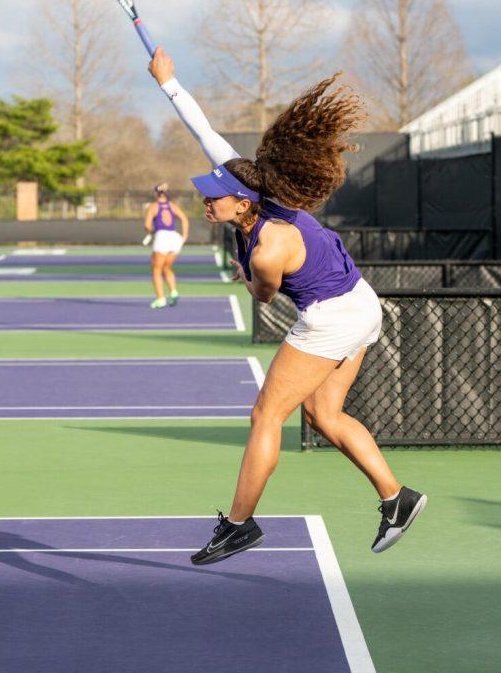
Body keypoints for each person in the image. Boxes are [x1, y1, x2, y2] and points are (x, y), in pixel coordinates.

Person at [147, 48, 425, 565]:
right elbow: (202, 130)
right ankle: (397, 498)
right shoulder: (256, 190)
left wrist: (245, 275)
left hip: (332, 318)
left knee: (265, 415)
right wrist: (169, 83)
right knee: (324, 413)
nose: (206, 201)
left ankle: (238, 525)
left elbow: (264, 295)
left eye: (214, 197)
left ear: (242, 203)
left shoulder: (270, 244)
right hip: (361, 303)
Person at [143, 183, 189, 308]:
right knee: (167, 267)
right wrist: (184, 237)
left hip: (162, 237)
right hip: (175, 238)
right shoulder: (173, 206)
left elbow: (147, 225)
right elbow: (184, 219)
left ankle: (160, 299)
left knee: (156, 270)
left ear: (156, 194)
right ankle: (174, 292)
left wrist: (150, 232)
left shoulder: (153, 206)